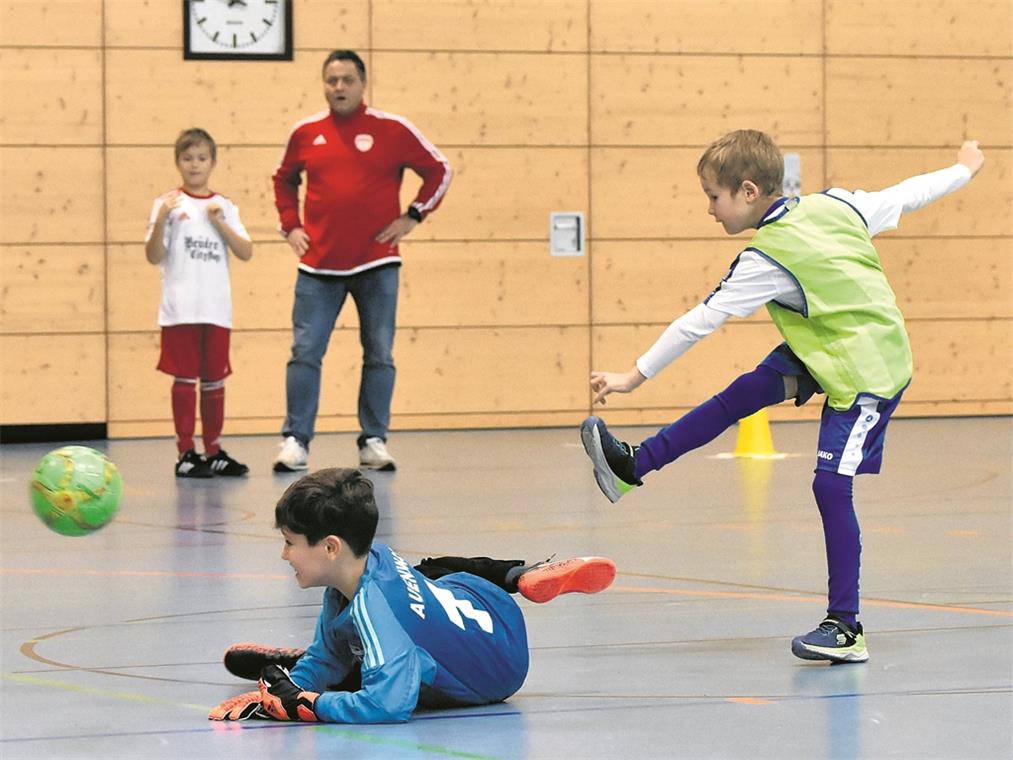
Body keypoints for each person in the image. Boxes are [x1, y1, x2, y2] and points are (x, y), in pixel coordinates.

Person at [580, 131, 985, 664]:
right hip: (826, 345)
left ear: (748, 191)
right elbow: (908, 193)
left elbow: (700, 322)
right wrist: (964, 170)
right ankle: (633, 466)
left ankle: (846, 627)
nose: (708, 209)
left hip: (869, 372)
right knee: (745, 392)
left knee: (829, 486)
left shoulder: (765, 259)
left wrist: (634, 375)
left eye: (713, 197)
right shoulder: (837, 205)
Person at [208, 468, 616, 723]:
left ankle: (518, 575)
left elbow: (388, 706)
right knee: (428, 569)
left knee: (377, 669)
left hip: (501, 671)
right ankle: (519, 574)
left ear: (330, 548)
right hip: (490, 606)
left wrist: (309, 704)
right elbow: (328, 654)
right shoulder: (371, 560)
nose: (284, 555)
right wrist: (277, 696)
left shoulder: (373, 610)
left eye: (290, 542)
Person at [271, 49, 452, 474]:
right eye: (331, 80)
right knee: (305, 353)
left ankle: (373, 440)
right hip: (318, 266)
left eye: (347, 80)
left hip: (377, 263)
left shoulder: (391, 129)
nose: (339, 87)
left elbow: (440, 170)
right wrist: (290, 226)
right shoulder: (306, 132)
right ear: (324, 85)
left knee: (379, 354)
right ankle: (295, 440)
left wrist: (413, 215)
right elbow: (283, 180)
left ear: (362, 84)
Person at [144, 128, 253, 478]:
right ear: (178, 161)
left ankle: (215, 450)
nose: (194, 165)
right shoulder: (167, 205)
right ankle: (186, 451)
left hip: (216, 309)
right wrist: (161, 219)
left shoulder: (225, 206)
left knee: (214, 380)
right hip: (181, 309)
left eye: (201, 158)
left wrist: (220, 223)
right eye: (188, 158)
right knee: (185, 378)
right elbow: (153, 254)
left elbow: (245, 251)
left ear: (213, 162)